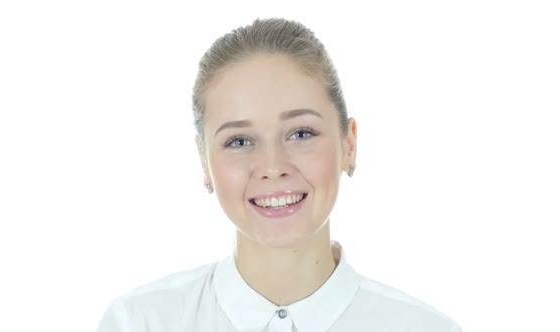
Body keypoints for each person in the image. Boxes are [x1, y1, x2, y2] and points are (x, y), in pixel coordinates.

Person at [97, 17, 462, 332]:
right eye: (239, 141)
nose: (273, 167)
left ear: (349, 144)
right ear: (204, 162)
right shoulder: (141, 323)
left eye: (301, 134)